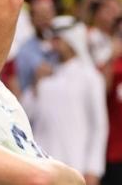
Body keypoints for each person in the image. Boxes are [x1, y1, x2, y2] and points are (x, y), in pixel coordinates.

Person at [21, 15, 108, 185]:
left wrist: (93, 169)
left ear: (72, 39)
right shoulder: (44, 75)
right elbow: (25, 115)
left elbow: (99, 126)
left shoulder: (90, 77)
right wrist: (36, 84)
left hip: (76, 166)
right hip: (42, 166)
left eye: (58, 39)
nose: (54, 43)